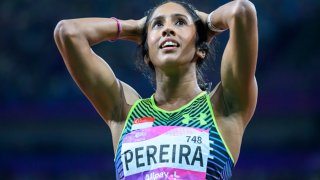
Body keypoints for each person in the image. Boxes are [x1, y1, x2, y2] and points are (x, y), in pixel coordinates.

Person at [54, 0, 258, 179]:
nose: (167, 29)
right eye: (158, 24)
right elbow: (68, 32)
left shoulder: (223, 108)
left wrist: (209, 24)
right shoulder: (125, 113)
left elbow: (241, 11)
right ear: (147, 54)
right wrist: (132, 27)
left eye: (180, 22)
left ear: (200, 49)